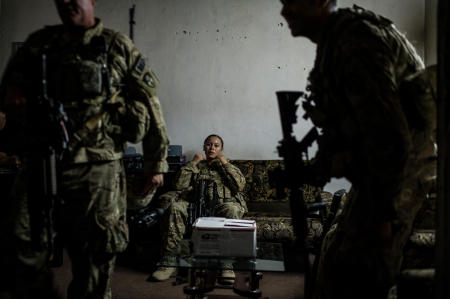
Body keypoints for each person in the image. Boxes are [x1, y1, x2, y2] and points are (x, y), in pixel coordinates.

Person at [0, 0, 169, 298]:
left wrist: (156, 163)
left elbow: (149, 103)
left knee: (95, 257)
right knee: (20, 244)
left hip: (98, 172)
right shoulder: (40, 43)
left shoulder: (117, 46)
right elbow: (10, 85)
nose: (66, 2)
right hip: (42, 161)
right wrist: (13, 95)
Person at [279, 1, 436, 298]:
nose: (285, 11)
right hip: (381, 173)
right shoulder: (335, 44)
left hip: (400, 170)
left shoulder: (354, 42)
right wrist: (313, 169)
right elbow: (351, 132)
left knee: (360, 271)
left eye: (294, 1)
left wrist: (382, 215)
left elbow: (389, 136)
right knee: (337, 258)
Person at [151, 134, 247, 284]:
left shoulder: (228, 166)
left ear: (221, 149)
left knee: (232, 210)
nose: (212, 148)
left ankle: (226, 264)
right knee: (175, 207)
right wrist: (194, 162)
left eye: (216, 145)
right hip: (196, 205)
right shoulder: (195, 166)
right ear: (204, 147)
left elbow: (239, 185)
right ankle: (169, 262)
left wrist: (224, 163)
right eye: (209, 144)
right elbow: (178, 185)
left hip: (222, 206)